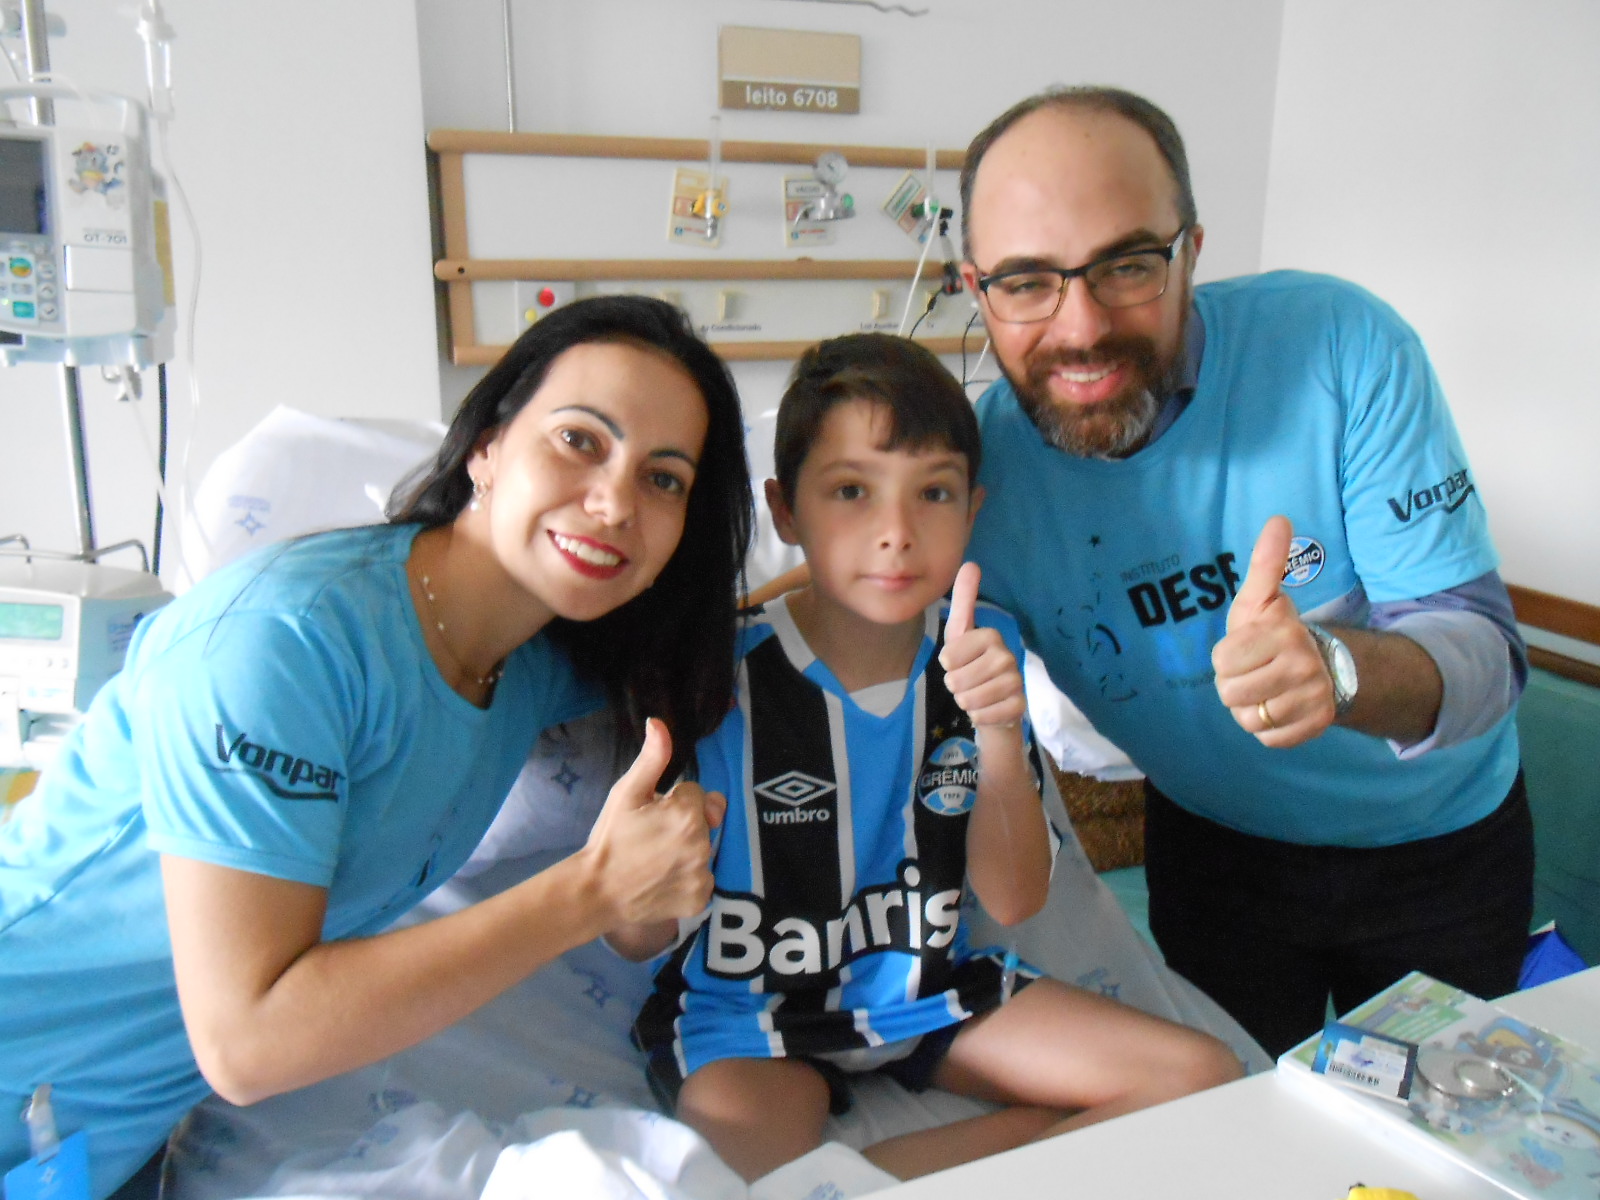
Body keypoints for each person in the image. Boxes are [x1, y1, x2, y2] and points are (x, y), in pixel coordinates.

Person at [0, 295, 755, 1199]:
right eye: (580, 440)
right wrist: (592, 891)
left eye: (663, 479)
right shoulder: (286, 646)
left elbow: (729, 633)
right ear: (486, 446)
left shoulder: (523, 661)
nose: (614, 502)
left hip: (102, 1148)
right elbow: (249, 1041)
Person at [956, 86, 1533, 1059]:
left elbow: (1484, 652)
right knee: (1234, 1131)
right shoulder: (978, 476)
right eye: (1026, 283)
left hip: (1438, 855)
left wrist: (1336, 671)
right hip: (1213, 853)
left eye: (1128, 264)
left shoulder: (1339, 346)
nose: (1081, 325)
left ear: (1190, 250)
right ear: (976, 290)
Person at [617, 333, 1243, 1183]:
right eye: (851, 492)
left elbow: (1016, 899)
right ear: (787, 510)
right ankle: (960, 1160)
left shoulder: (983, 650)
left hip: (925, 992)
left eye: (934, 492)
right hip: (747, 1012)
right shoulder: (714, 672)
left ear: (972, 508)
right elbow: (632, 937)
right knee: (740, 1187)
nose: (897, 534)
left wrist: (994, 728)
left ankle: (896, 1176)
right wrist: (637, 859)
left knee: (1201, 1078)